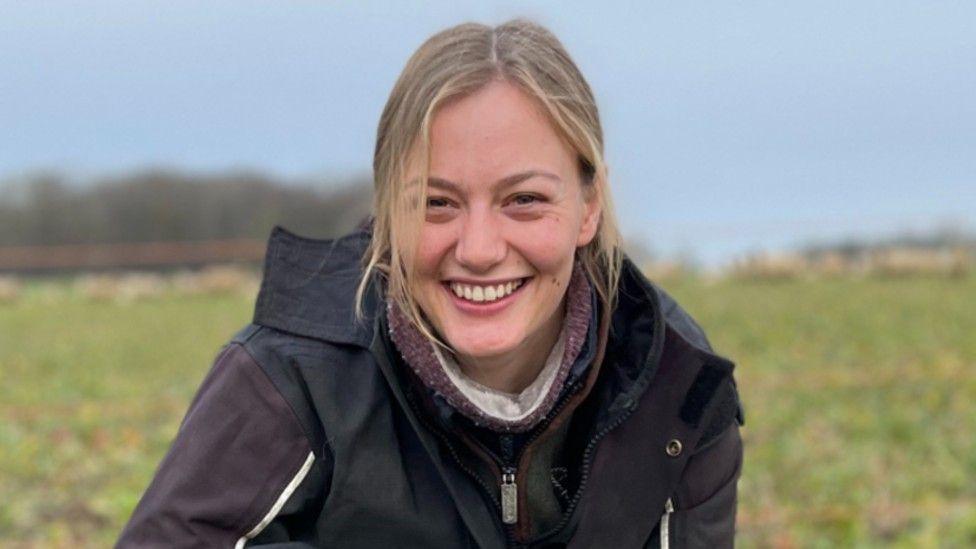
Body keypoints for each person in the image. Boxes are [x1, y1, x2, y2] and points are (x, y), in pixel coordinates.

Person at [117, 18, 744, 548]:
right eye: (436, 204)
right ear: (389, 211)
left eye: (524, 199)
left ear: (588, 207)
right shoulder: (288, 376)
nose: (477, 249)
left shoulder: (677, 387)